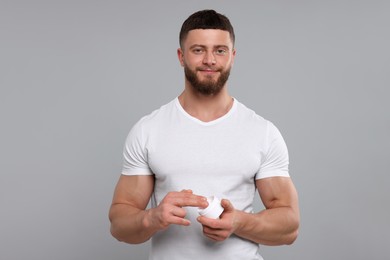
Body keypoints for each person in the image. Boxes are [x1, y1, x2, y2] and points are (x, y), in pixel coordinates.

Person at [109, 9, 300, 260]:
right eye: (198, 50)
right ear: (181, 56)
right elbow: (119, 225)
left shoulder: (262, 132)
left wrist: (239, 223)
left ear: (232, 57)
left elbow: (289, 227)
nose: (210, 60)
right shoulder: (148, 130)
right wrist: (151, 218)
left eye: (220, 50)